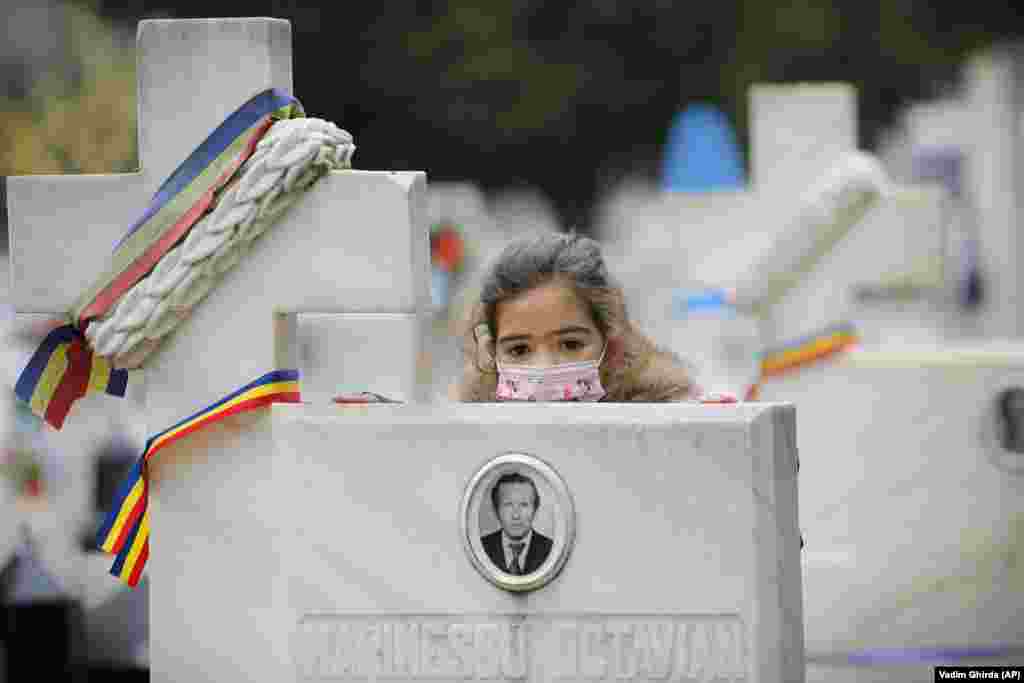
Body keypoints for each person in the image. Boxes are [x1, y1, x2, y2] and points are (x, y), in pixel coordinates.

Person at [450, 232, 698, 402]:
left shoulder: (676, 432)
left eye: (570, 344)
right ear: (492, 355)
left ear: (612, 344)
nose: (544, 367)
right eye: (519, 350)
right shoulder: (462, 442)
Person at [481, 471, 553, 575]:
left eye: (524, 505)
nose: (516, 515)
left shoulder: (551, 550)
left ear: (535, 510)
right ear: (496, 510)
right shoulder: (482, 548)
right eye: (508, 505)